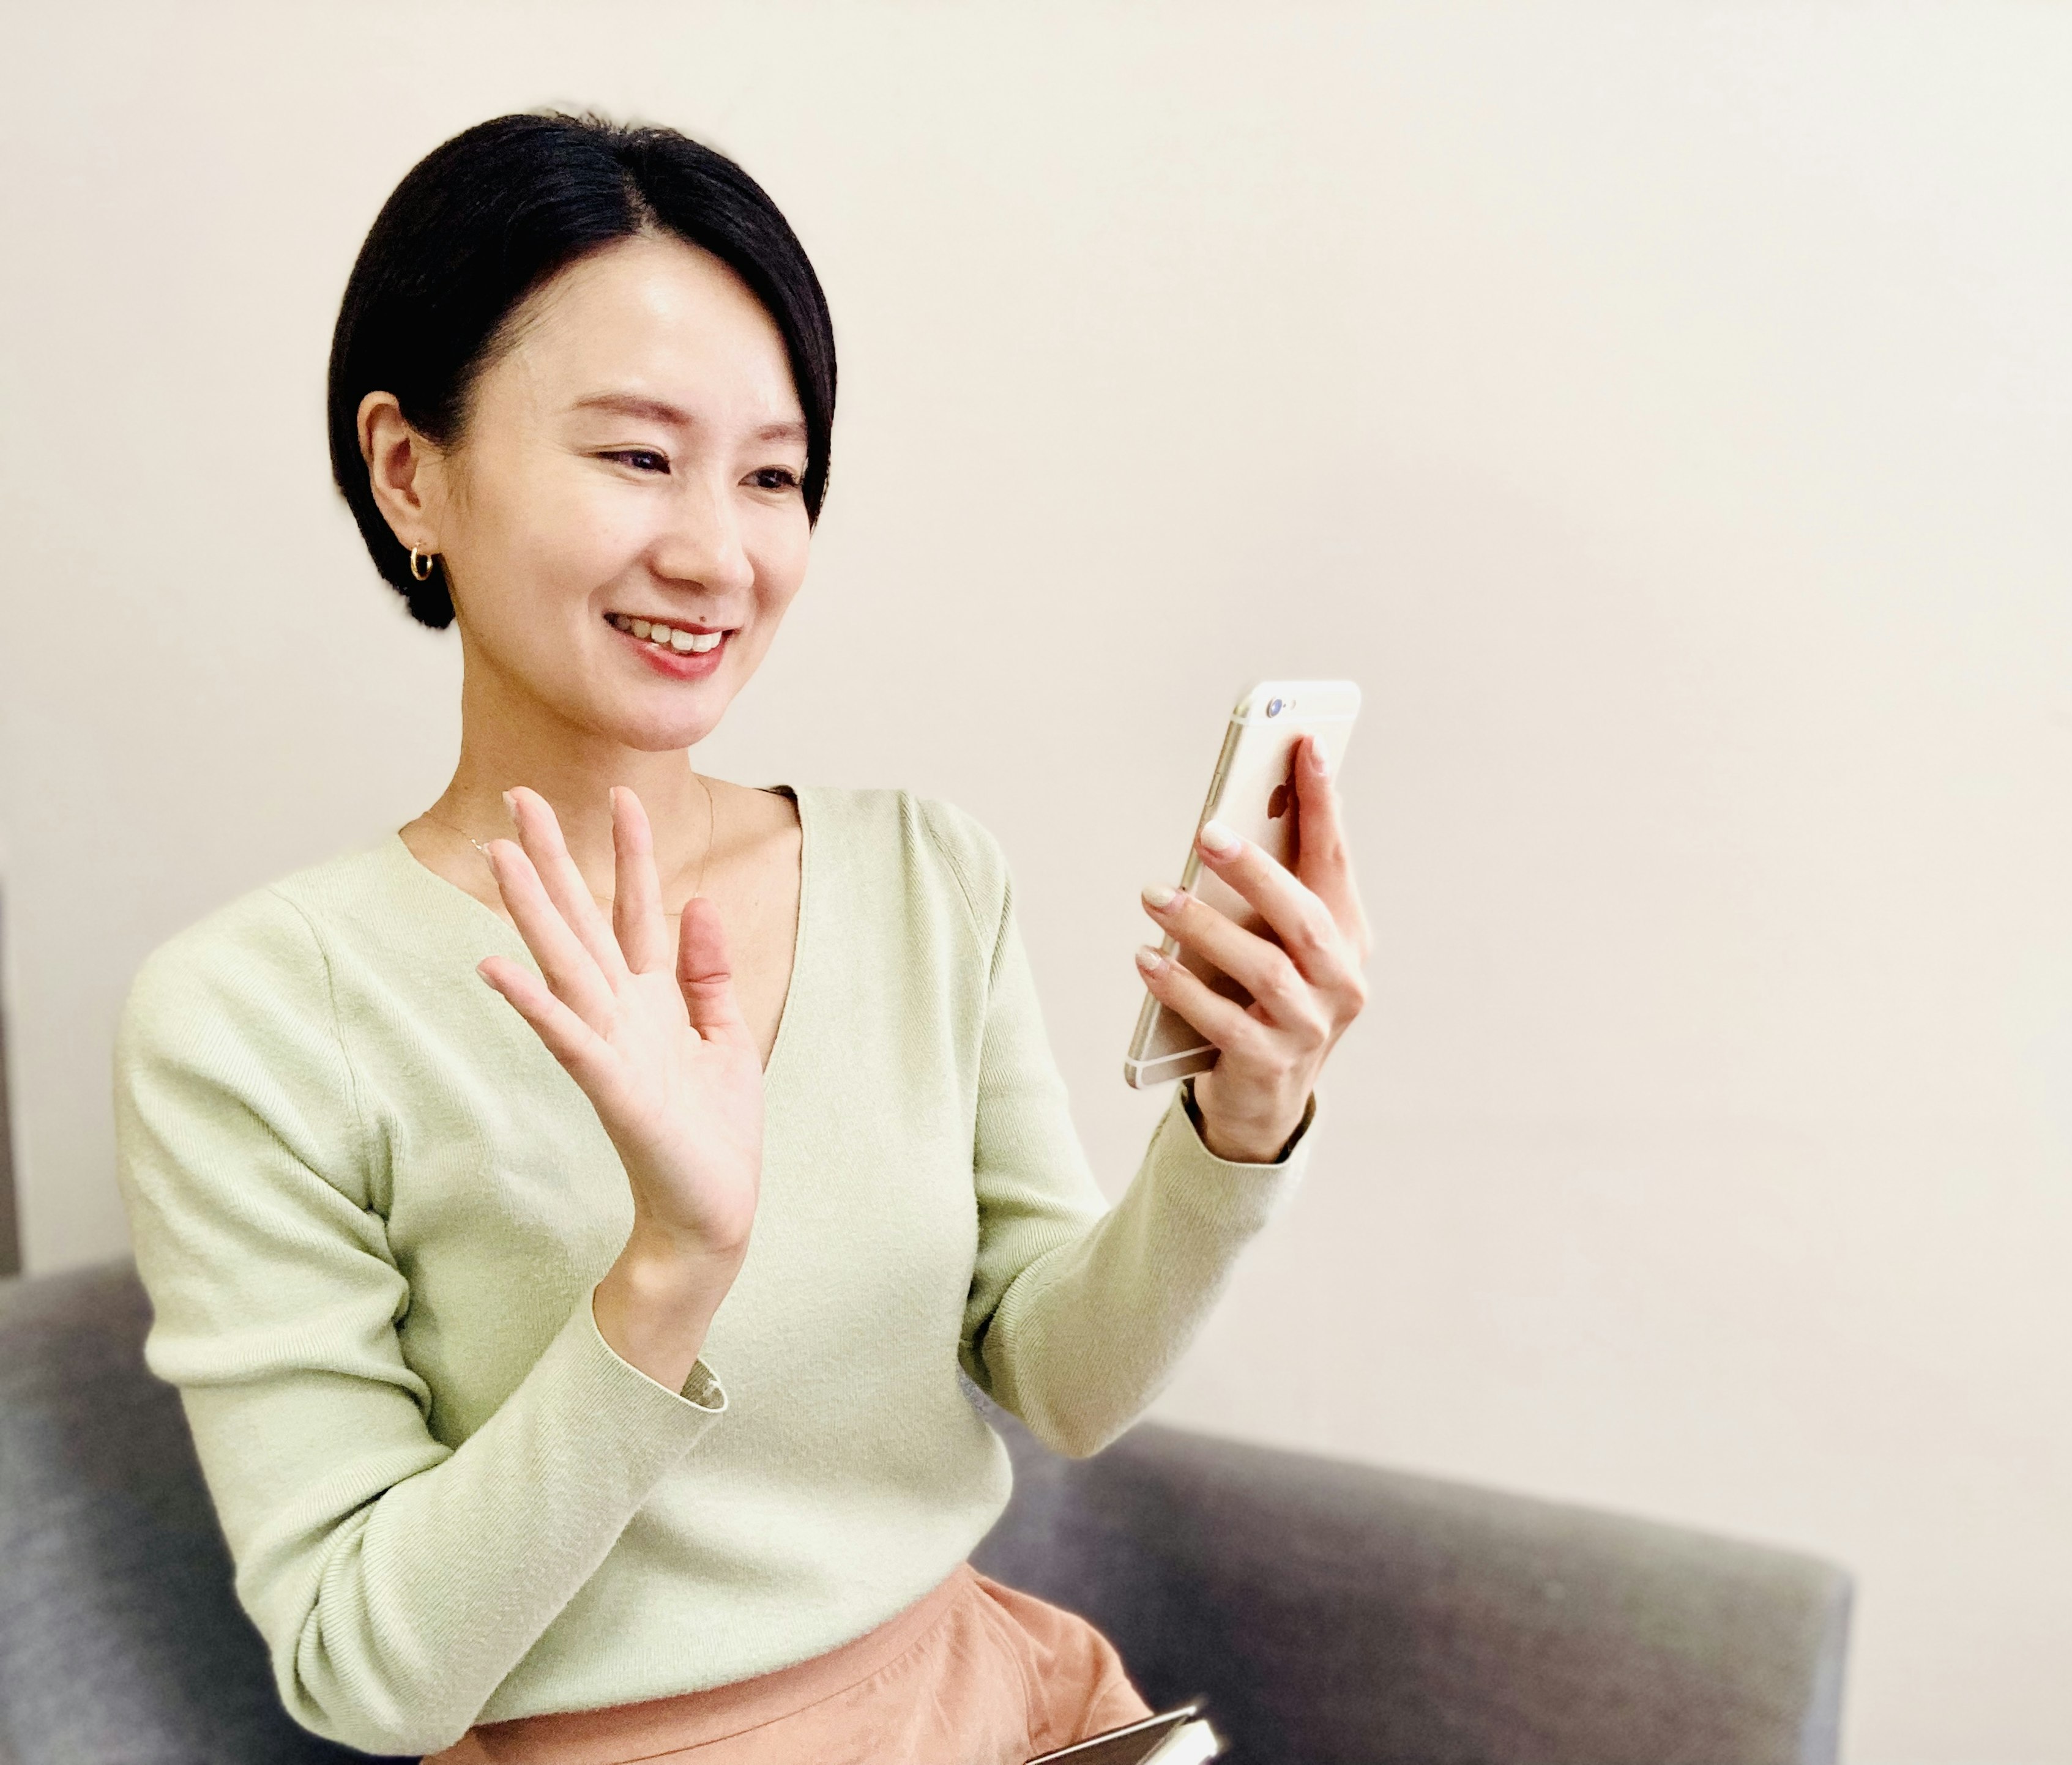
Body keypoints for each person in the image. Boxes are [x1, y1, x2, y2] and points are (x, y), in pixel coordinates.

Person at [110, 112, 1370, 1764]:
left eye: (773, 475)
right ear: (410, 468)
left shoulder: (924, 874)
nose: (719, 553)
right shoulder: (252, 1016)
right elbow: (368, 1672)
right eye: (637, 456)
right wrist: (669, 1270)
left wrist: (1237, 1127)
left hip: (997, 1708)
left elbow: (1061, 1379)